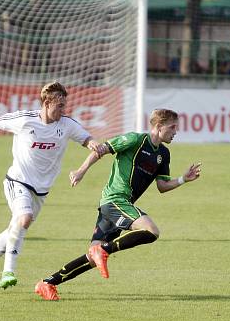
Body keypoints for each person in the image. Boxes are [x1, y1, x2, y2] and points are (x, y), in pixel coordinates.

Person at [34, 108, 201, 301]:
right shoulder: (135, 140)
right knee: (151, 231)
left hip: (117, 205)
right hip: (115, 200)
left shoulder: (163, 153)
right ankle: (103, 251)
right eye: (172, 127)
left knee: (91, 258)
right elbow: (101, 150)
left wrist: (183, 179)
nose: (175, 131)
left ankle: (47, 283)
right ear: (158, 126)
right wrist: (81, 171)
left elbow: (162, 186)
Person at [0, 81, 106, 291]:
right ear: (46, 103)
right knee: (23, 219)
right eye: (59, 105)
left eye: (64, 105)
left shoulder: (66, 124)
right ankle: (8, 272)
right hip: (17, 180)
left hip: (41, 189)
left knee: (17, 227)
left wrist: (92, 144)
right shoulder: (25, 120)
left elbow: (85, 138)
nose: (63, 109)